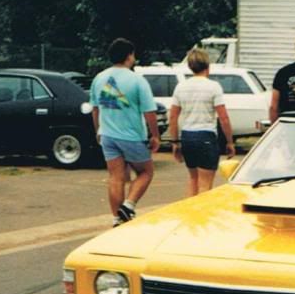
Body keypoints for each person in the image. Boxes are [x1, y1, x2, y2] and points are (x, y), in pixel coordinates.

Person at [90, 38, 160, 227]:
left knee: (116, 177)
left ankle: (116, 218)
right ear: (129, 55)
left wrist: (98, 130)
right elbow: (149, 112)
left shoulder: (99, 78)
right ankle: (128, 206)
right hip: (132, 136)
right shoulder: (137, 80)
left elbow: (95, 109)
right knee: (146, 172)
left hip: (107, 135)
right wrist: (155, 135)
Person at [168, 47, 235, 196]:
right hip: (206, 136)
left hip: (187, 137)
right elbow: (223, 118)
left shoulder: (181, 87)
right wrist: (229, 142)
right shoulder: (213, 87)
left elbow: (173, 116)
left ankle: (189, 214)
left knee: (193, 179)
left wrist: (174, 142)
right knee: (205, 184)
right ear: (207, 66)